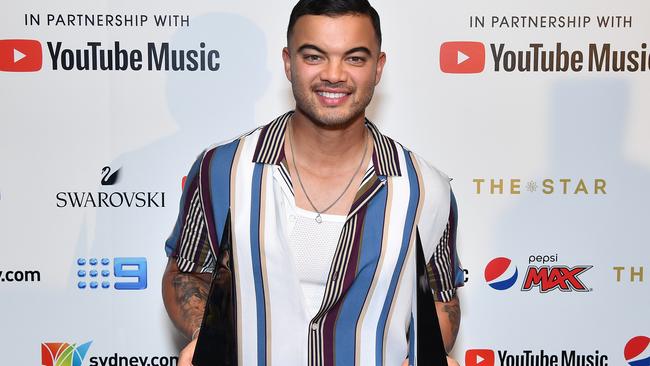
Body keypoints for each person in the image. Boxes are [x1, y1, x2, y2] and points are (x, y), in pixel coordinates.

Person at [162, 1, 464, 365]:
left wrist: (426, 352)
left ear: (378, 67)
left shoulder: (425, 188)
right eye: (314, 56)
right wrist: (204, 332)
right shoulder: (222, 169)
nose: (334, 75)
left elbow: (440, 299)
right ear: (288, 63)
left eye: (354, 58)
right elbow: (187, 272)